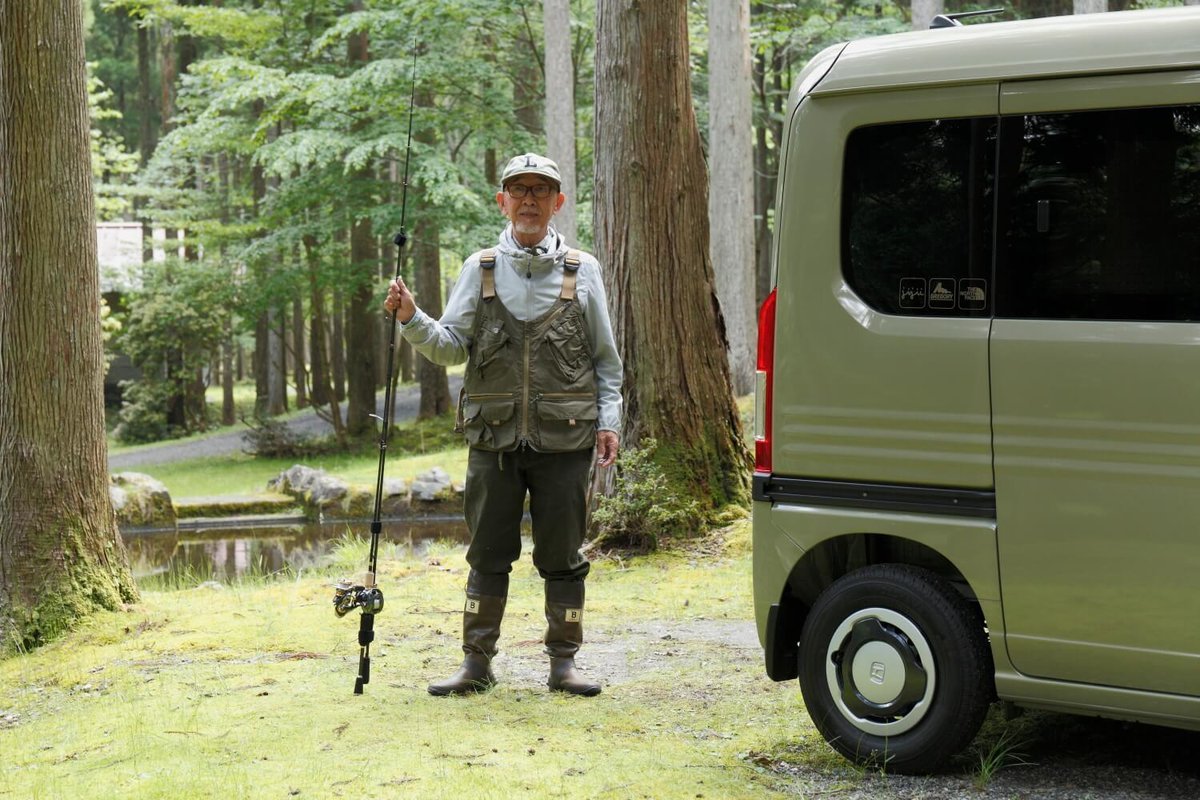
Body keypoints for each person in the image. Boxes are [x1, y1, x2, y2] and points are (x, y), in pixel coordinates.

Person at [384, 152, 622, 697]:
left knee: (562, 556)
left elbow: (606, 361)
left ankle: (564, 665)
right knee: (487, 553)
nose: (530, 200)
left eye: (541, 190)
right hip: (492, 440)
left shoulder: (583, 272)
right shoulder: (479, 267)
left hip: (566, 439)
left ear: (558, 203)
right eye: (519, 190)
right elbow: (448, 347)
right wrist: (410, 319)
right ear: (503, 202)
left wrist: (609, 421)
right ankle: (476, 663)